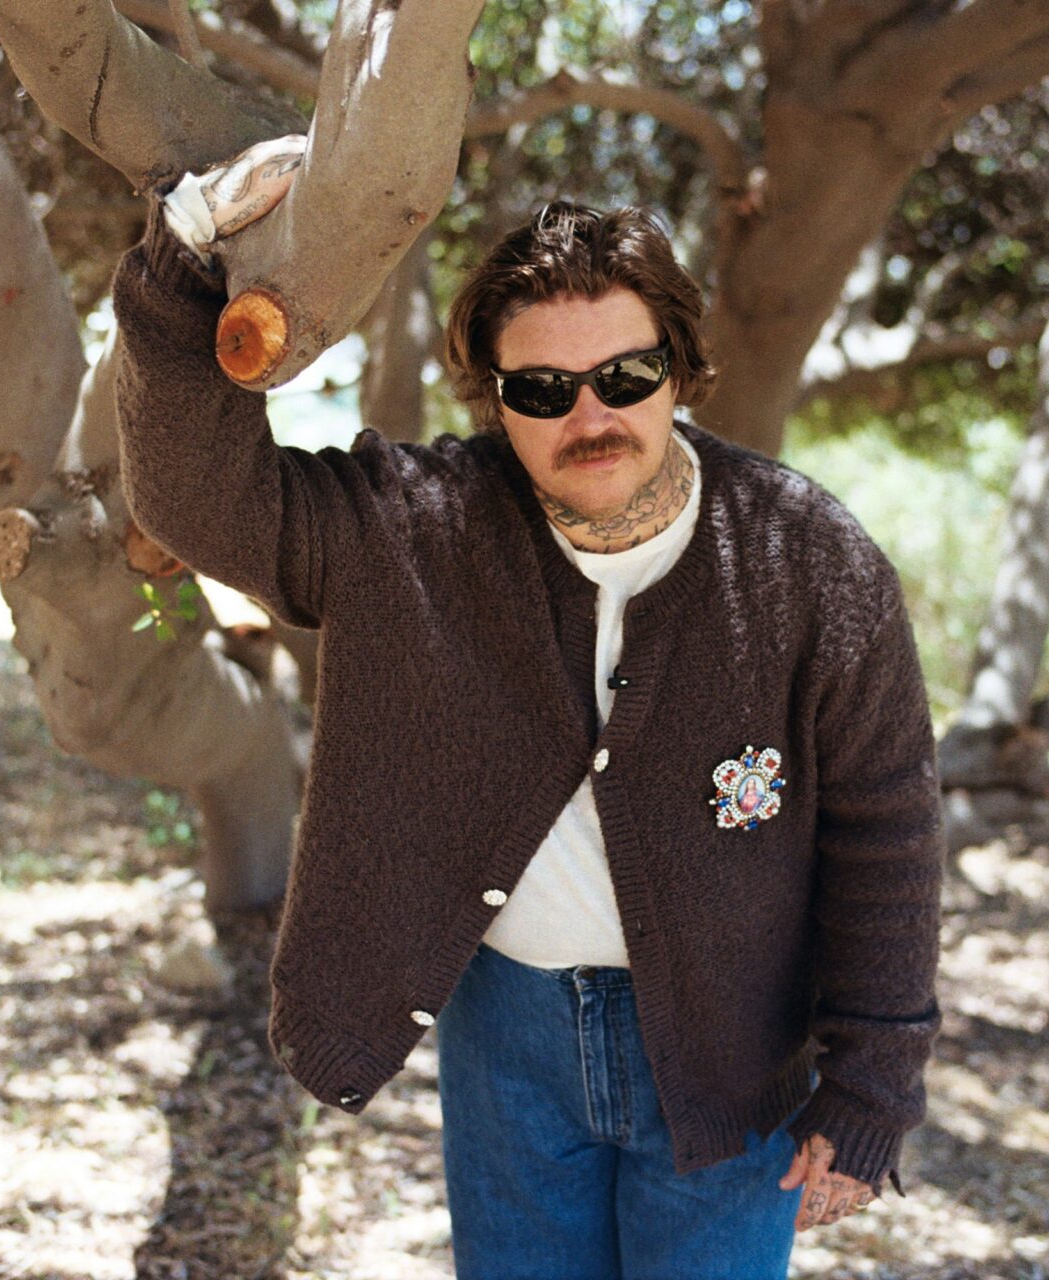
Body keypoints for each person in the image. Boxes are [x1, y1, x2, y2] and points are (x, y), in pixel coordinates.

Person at [112, 135, 946, 1279]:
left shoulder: (809, 559)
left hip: (735, 1047)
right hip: (507, 1041)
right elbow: (197, 496)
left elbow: (887, 827)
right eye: (544, 391)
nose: (590, 416)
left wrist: (872, 1083)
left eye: (626, 375)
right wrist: (183, 259)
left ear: (681, 368)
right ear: (498, 402)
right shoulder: (415, 525)